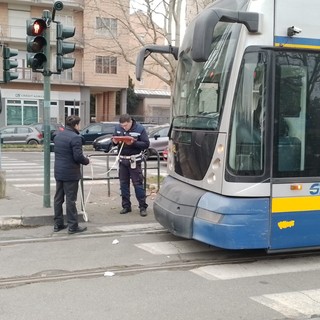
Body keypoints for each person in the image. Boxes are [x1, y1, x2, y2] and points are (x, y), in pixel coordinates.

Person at [53, 115, 90, 234]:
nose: (80, 127)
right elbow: (78, 157)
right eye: (79, 124)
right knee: (70, 200)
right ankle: (73, 226)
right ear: (76, 125)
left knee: (58, 198)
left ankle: (58, 224)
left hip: (59, 171)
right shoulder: (75, 138)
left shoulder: (58, 135)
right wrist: (87, 161)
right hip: (70, 173)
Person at [112, 114, 150, 216]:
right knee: (123, 184)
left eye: (125, 125)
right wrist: (114, 142)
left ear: (130, 122)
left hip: (134, 160)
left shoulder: (140, 129)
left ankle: (142, 206)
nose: (124, 128)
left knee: (137, 184)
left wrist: (133, 142)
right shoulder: (118, 128)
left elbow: (146, 144)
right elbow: (114, 141)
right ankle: (126, 206)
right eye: (122, 126)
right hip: (122, 160)